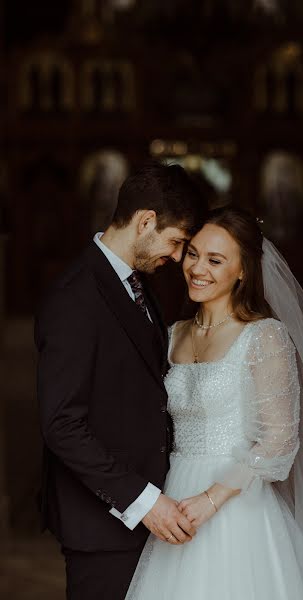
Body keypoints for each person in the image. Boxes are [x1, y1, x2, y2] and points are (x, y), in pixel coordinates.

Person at [125, 206, 303, 600]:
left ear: (243, 271)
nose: (198, 268)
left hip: (237, 504)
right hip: (175, 498)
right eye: (194, 253)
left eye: (215, 260)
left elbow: (278, 442)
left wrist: (210, 499)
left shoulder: (264, 337)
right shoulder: (171, 334)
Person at [34, 160, 206, 600]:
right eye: (175, 242)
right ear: (146, 220)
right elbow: (62, 425)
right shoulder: (74, 295)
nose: (174, 258)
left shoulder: (137, 284)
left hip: (150, 513)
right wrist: (144, 502)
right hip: (103, 525)